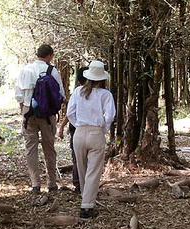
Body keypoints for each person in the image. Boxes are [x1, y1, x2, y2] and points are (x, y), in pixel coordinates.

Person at [66, 60, 116, 219]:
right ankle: (87, 206)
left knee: (82, 169)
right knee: (93, 172)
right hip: (96, 134)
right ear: (102, 78)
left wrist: (79, 126)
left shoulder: (78, 91)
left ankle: (85, 200)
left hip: (79, 134)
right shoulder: (105, 94)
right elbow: (110, 116)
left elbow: (69, 113)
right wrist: (102, 130)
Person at [15, 44, 66, 194]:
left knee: (31, 149)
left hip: (28, 112)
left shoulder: (25, 70)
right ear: (50, 55)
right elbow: (61, 95)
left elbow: (18, 94)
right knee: (49, 148)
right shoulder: (52, 71)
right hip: (47, 115)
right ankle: (51, 183)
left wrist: (24, 109)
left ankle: (35, 184)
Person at [58, 65, 89, 193]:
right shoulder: (99, 93)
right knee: (85, 157)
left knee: (77, 157)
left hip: (77, 128)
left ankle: (79, 184)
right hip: (88, 129)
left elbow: (70, 112)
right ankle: (85, 185)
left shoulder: (77, 92)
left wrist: (64, 126)